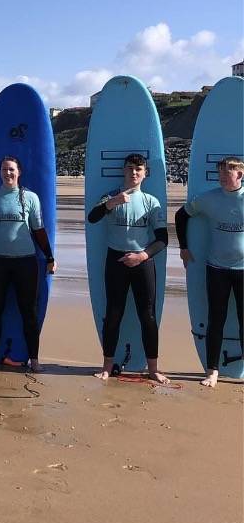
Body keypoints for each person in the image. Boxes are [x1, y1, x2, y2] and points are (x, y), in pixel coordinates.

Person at [87, 153, 169, 383]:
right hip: (116, 261)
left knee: (148, 316)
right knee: (113, 314)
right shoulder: (111, 196)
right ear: (124, 171)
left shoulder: (151, 202)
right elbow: (92, 218)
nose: (134, 173)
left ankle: (153, 368)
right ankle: (106, 366)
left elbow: (163, 238)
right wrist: (111, 204)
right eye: (130, 168)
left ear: (145, 173)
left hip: (142, 262)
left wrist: (142, 255)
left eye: (138, 169)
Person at [0, 155, 56, 373]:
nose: (8, 173)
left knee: (28, 311)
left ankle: (35, 360)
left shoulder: (30, 198)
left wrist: (49, 257)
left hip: (25, 262)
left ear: (19, 172)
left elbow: (38, 230)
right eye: (4, 169)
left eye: (11, 170)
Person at [175, 156, 244, 388]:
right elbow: (181, 215)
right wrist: (184, 247)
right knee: (216, 320)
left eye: (228, 173)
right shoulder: (209, 199)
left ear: (240, 175)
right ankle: (212, 371)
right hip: (217, 269)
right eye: (220, 173)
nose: (223, 177)